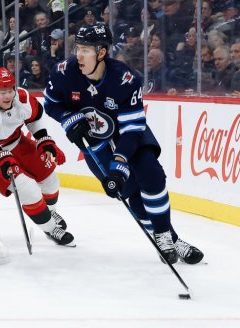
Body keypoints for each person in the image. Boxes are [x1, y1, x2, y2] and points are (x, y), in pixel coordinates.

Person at [43, 23, 204, 264]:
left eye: (86, 50)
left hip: (126, 135)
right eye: (78, 48)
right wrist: (68, 118)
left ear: (102, 52)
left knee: (151, 175)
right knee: (127, 192)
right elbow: (51, 104)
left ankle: (162, 235)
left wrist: (120, 161)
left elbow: (132, 128)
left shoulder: (126, 79)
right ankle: (171, 238)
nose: (79, 55)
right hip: (94, 141)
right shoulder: (64, 72)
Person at [0, 67, 75, 247]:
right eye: (2, 92)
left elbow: (34, 117)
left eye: (10, 89)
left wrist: (43, 139)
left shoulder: (21, 97)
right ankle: (51, 229)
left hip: (15, 141)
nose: (8, 95)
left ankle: (48, 212)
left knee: (50, 179)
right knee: (27, 188)